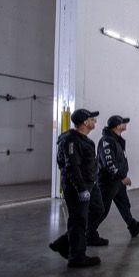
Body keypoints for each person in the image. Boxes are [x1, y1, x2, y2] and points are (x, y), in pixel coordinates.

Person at [49, 108, 106, 268]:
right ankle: (77, 257)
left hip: (90, 184)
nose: (94, 122)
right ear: (85, 122)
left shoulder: (85, 139)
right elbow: (71, 167)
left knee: (98, 210)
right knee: (78, 220)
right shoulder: (70, 141)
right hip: (77, 186)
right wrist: (80, 188)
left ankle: (63, 242)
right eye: (92, 119)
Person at [97, 115, 139, 237]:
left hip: (117, 182)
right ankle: (87, 232)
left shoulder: (117, 140)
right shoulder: (107, 141)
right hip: (108, 182)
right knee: (102, 210)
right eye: (123, 123)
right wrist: (122, 177)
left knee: (124, 205)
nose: (125, 124)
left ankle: (134, 227)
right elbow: (109, 164)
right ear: (117, 126)